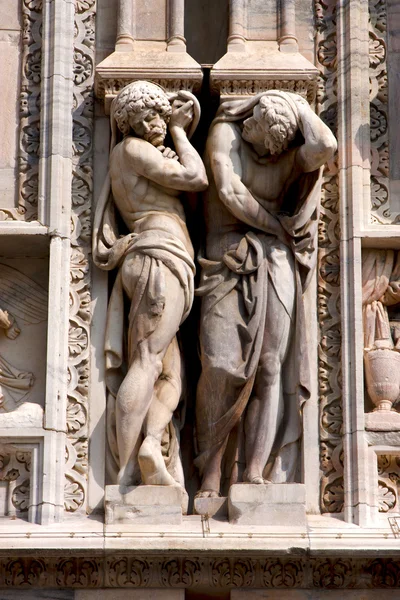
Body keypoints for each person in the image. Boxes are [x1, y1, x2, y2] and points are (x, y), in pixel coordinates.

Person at [195, 91, 337, 497]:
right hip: (227, 255)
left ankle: (254, 472)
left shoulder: (291, 158)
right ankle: (211, 469)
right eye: (256, 128)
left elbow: (325, 146)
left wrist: (299, 108)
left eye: (270, 141)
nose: (256, 139)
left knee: (271, 366)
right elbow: (228, 191)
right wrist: (276, 227)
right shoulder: (226, 132)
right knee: (222, 365)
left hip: (276, 260)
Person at [93, 81, 207, 488]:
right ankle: (125, 479)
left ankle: (151, 443)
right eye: (144, 120)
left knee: (171, 374)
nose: (154, 124)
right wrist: (178, 129)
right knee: (146, 360)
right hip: (159, 256)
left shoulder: (131, 156)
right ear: (128, 125)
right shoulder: (133, 150)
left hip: (161, 258)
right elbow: (196, 177)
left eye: (157, 115)